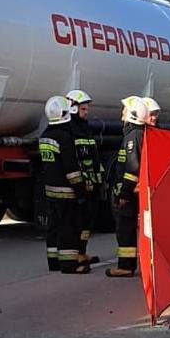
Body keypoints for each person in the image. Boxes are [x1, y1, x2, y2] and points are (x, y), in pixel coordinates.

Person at [40, 95, 88, 274]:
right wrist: (81, 191)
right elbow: (72, 170)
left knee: (53, 227)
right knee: (68, 228)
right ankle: (69, 265)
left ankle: (53, 262)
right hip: (67, 192)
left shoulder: (45, 136)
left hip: (51, 191)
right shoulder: (65, 138)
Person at [106, 96, 148, 278]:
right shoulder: (139, 135)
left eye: (124, 110)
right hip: (135, 191)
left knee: (125, 229)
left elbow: (132, 168)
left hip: (130, 193)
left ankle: (125, 266)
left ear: (131, 115)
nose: (121, 113)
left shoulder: (132, 138)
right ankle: (128, 265)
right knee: (129, 228)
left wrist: (124, 193)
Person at [66, 89, 104, 266]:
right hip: (79, 186)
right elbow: (72, 162)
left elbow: (94, 157)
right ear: (72, 108)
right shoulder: (69, 131)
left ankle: (82, 250)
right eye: (83, 109)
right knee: (77, 221)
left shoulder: (85, 129)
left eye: (87, 109)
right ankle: (76, 253)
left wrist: (100, 179)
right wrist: (80, 185)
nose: (86, 112)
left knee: (88, 221)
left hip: (92, 185)